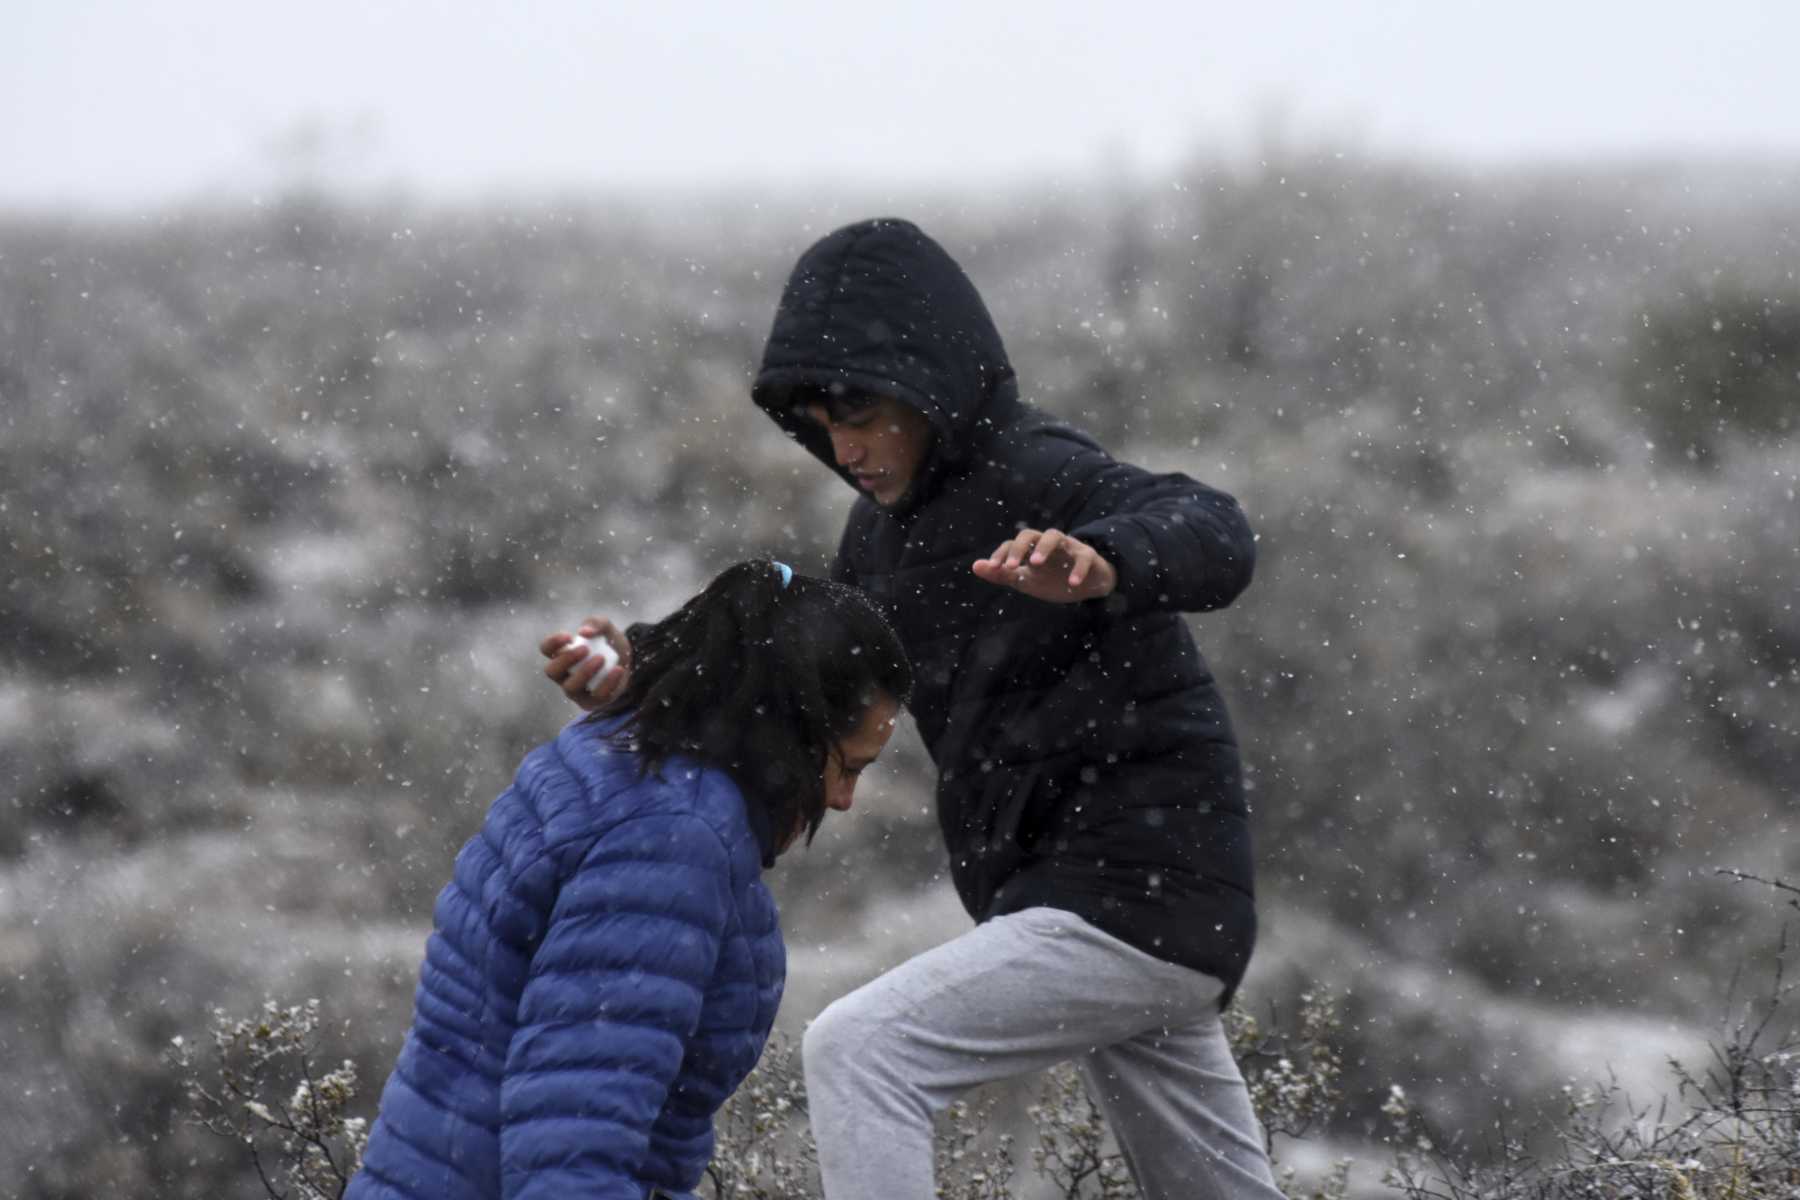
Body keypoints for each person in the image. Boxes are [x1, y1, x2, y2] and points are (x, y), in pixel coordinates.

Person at [548, 219, 1279, 1200]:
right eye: (819, 416)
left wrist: (1110, 560)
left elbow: (1215, 527)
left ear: (932, 380)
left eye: (861, 406)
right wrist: (640, 662)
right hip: (1122, 910)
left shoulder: (1037, 472)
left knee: (862, 1051)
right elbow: (786, 646)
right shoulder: (881, 537)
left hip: (1134, 897)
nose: (842, 443)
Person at [349, 560, 911, 1200]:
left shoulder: (626, 754)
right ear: (789, 732)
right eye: (849, 766)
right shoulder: (673, 838)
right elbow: (574, 1134)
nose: (842, 799)